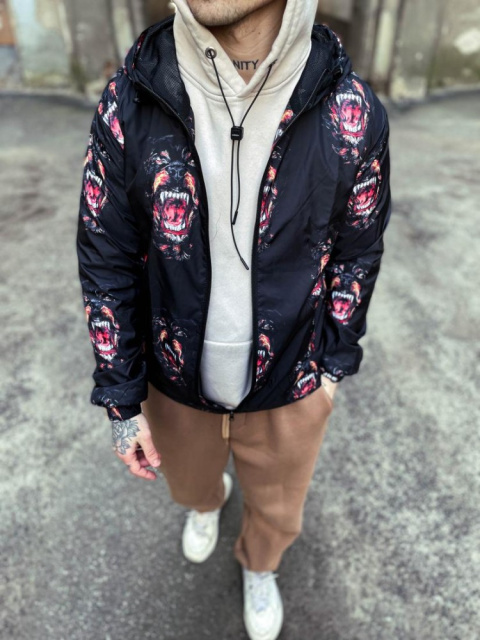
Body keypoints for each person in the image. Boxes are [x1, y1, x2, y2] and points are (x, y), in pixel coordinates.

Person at [76, 0, 392, 637]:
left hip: (293, 380)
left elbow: (358, 248)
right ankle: (207, 504)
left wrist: (332, 367)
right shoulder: (130, 100)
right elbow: (106, 255)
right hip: (173, 381)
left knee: (277, 509)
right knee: (190, 483)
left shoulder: (351, 110)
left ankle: (260, 564)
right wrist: (121, 397)